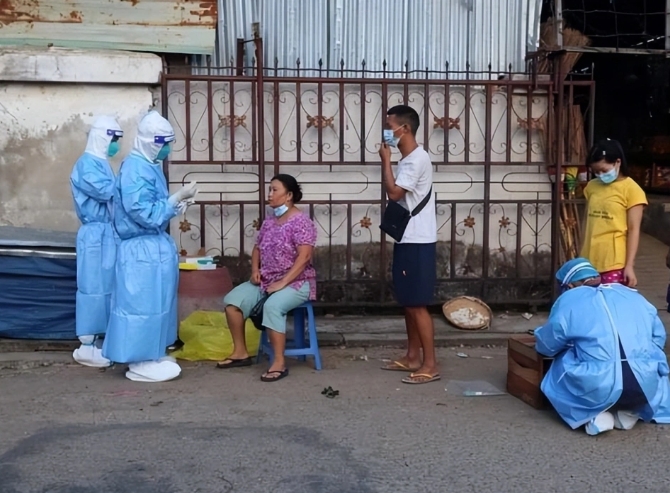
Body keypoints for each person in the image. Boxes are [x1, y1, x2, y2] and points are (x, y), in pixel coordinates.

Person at [102, 111, 198, 382]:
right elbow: (142, 212)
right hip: (140, 250)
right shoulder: (134, 168)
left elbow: (154, 208)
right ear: (147, 141)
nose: (166, 148)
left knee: (158, 304)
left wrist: (176, 204)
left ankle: (152, 352)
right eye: (162, 141)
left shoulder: (148, 165)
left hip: (153, 247)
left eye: (169, 141)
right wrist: (174, 199)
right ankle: (139, 358)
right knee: (140, 305)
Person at [535, 258, 670, 436]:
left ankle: (593, 416)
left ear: (568, 286)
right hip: (645, 385)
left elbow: (547, 346)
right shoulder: (632, 295)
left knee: (562, 360)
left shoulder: (570, 300)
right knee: (652, 359)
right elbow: (658, 338)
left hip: (598, 387)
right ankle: (629, 412)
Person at [215, 174, 317, 382]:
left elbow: (304, 257)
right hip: (268, 279)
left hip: (297, 282)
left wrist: (283, 282)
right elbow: (257, 248)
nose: (270, 194)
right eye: (269, 189)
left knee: (272, 306)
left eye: (274, 190)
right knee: (233, 302)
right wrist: (255, 269)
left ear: (288, 195)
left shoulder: (302, 222)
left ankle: (279, 362)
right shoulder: (270, 221)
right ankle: (240, 352)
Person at [378, 105, 439, 384]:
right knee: (408, 301)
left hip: (418, 240)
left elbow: (394, 193)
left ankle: (430, 364)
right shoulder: (410, 159)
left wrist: (385, 160)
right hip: (408, 237)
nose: (387, 131)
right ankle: (412, 356)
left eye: (390, 126)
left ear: (405, 129)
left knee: (417, 304)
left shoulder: (415, 160)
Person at [70, 115, 123, 368]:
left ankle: (100, 340)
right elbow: (107, 192)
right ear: (102, 136)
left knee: (108, 286)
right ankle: (86, 345)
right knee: (92, 287)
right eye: (114, 138)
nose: (116, 144)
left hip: (108, 233)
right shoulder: (87, 164)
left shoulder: (102, 163)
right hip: (94, 234)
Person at [580, 139, 647, 286]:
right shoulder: (592, 186)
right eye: (596, 172)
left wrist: (629, 265)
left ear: (617, 162)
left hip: (614, 262)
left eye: (604, 170)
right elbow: (587, 221)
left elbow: (634, 230)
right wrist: (580, 254)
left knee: (610, 305)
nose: (600, 175)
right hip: (589, 260)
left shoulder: (632, 190)